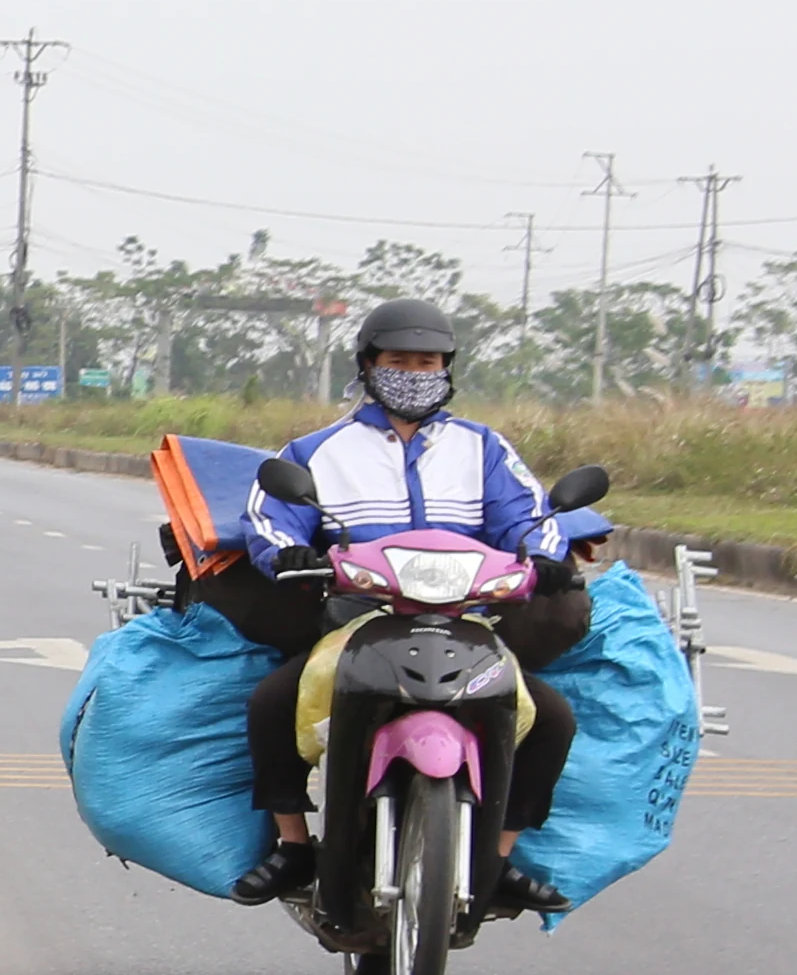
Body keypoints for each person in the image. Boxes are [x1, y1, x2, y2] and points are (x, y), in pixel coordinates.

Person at [207, 298, 585, 915]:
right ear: (369, 365)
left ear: (448, 368)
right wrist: (288, 554)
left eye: (428, 361)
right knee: (273, 703)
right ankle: (294, 843)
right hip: (358, 620)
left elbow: (529, 516)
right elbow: (271, 519)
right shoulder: (315, 451)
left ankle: (498, 857)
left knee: (553, 719)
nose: (414, 371)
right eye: (399, 360)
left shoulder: (484, 448)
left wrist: (542, 557)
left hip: (468, 620)